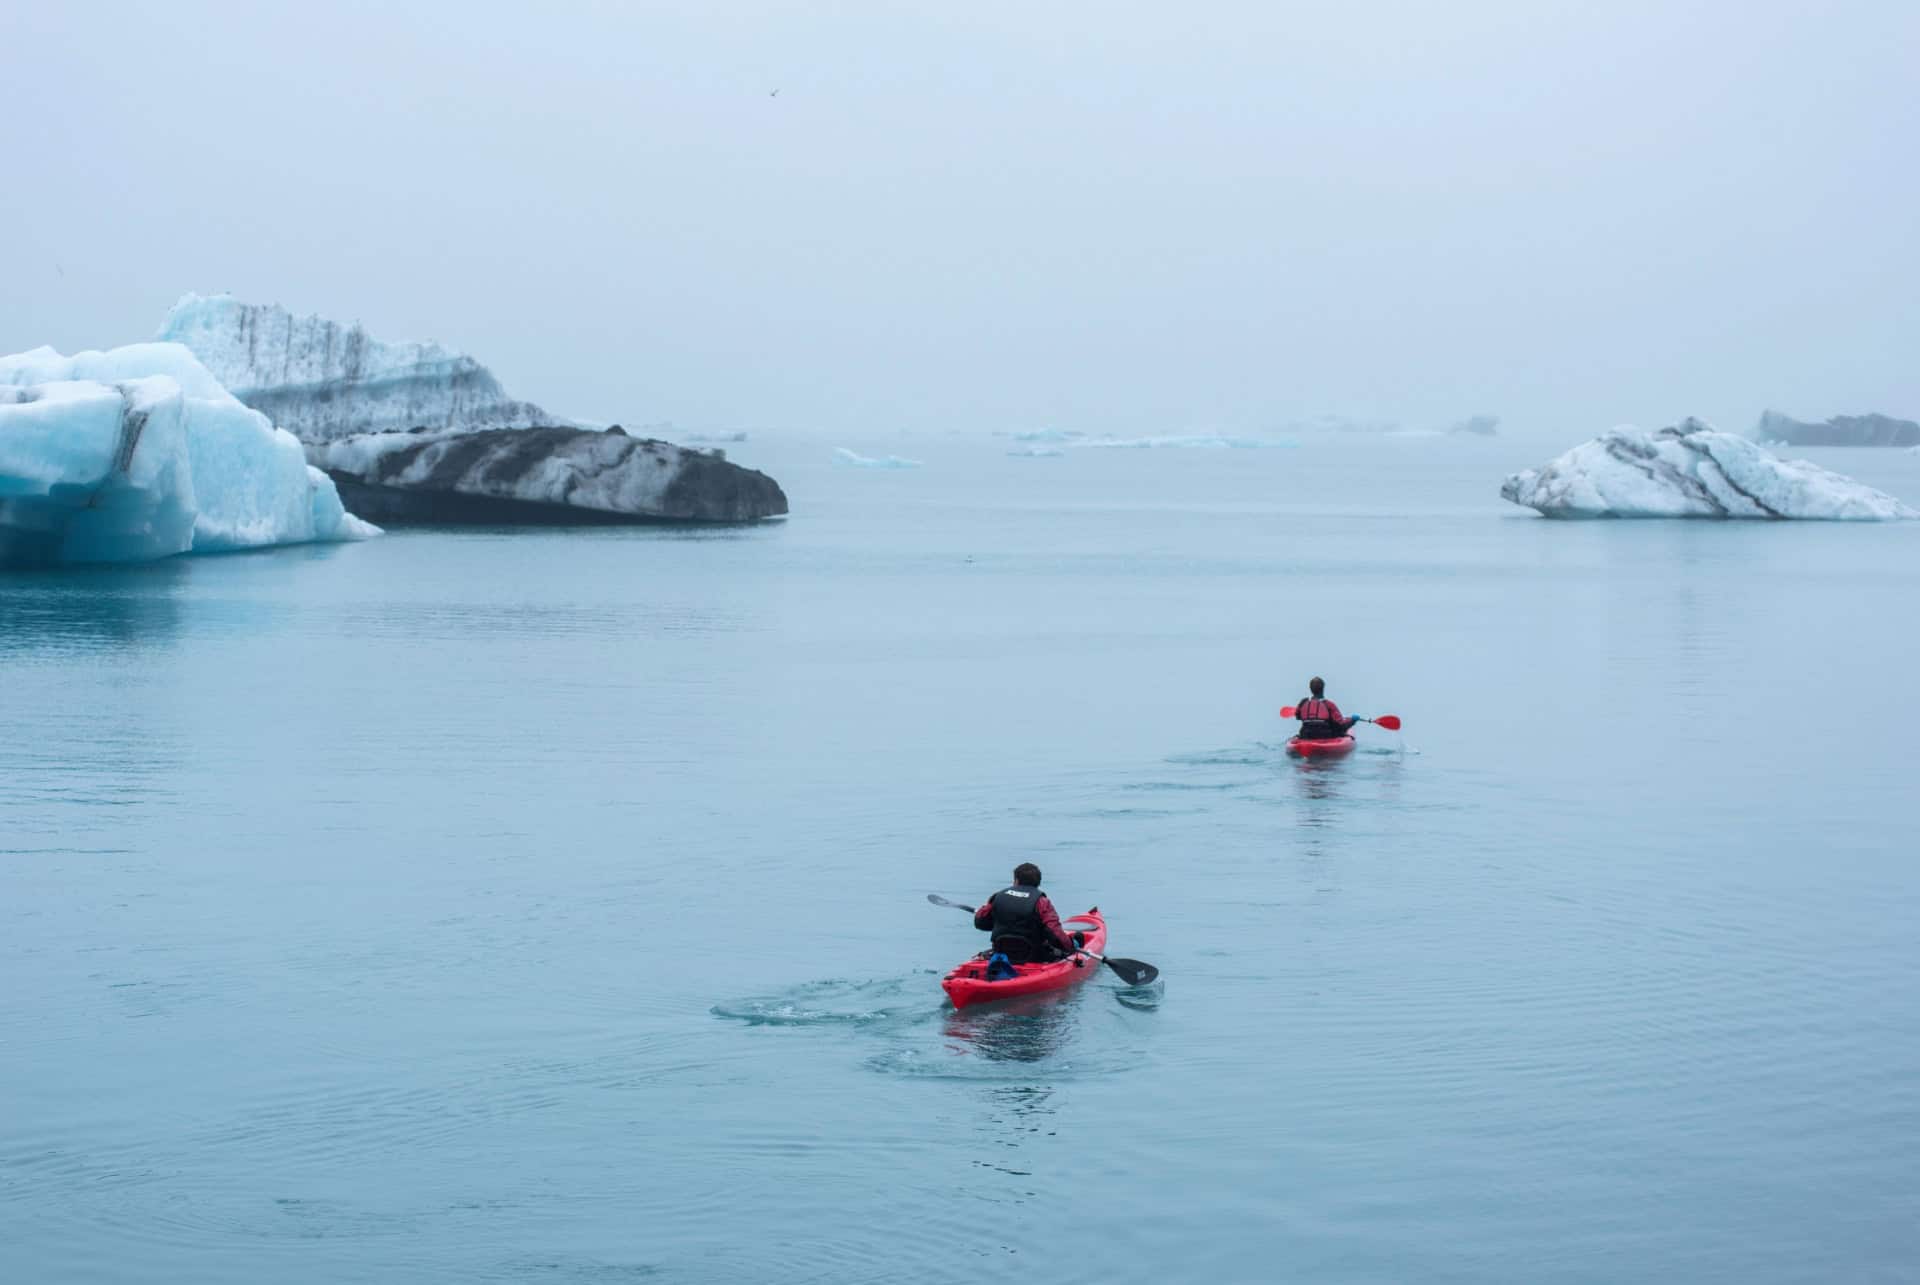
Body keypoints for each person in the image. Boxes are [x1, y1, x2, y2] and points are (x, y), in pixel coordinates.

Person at [974, 863, 1083, 963]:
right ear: (1038, 883)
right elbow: (1055, 934)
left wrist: (1001, 919)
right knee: (1075, 941)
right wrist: (1072, 946)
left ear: (1016, 880)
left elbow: (980, 922)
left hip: (1001, 952)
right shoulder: (1042, 902)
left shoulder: (997, 896)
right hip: (1034, 956)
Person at [1295, 676, 1358, 740]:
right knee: (1339, 729)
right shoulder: (1329, 704)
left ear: (1310, 689)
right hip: (1325, 735)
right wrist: (1352, 720)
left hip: (1306, 735)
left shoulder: (1303, 702)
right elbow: (1341, 725)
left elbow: (1298, 716)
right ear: (1323, 688)